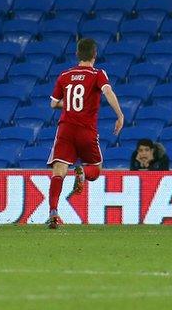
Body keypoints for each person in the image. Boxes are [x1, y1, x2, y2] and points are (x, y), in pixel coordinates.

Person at [46, 38, 124, 229]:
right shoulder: (97, 74)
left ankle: (53, 213)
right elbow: (107, 92)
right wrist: (120, 115)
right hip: (86, 130)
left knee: (58, 172)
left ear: (77, 55)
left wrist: (70, 105)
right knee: (96, 169)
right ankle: (83, 173)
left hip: (65, 128)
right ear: (94, 55)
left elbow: (54, 103)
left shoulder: (65, 75)